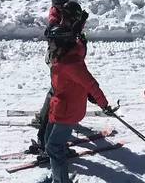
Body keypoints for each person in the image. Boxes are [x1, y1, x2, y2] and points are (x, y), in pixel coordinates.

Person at [42, 21, 112, 183]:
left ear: (61, 42)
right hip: (59, 106)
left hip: (68, 111)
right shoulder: (61, 56)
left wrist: (103, 104)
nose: (49, 44)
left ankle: (61, 180)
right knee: (48, 142)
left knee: (54, 147)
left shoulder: (71, 63)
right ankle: (58, 174)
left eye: (51, 41)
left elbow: (90, 84)